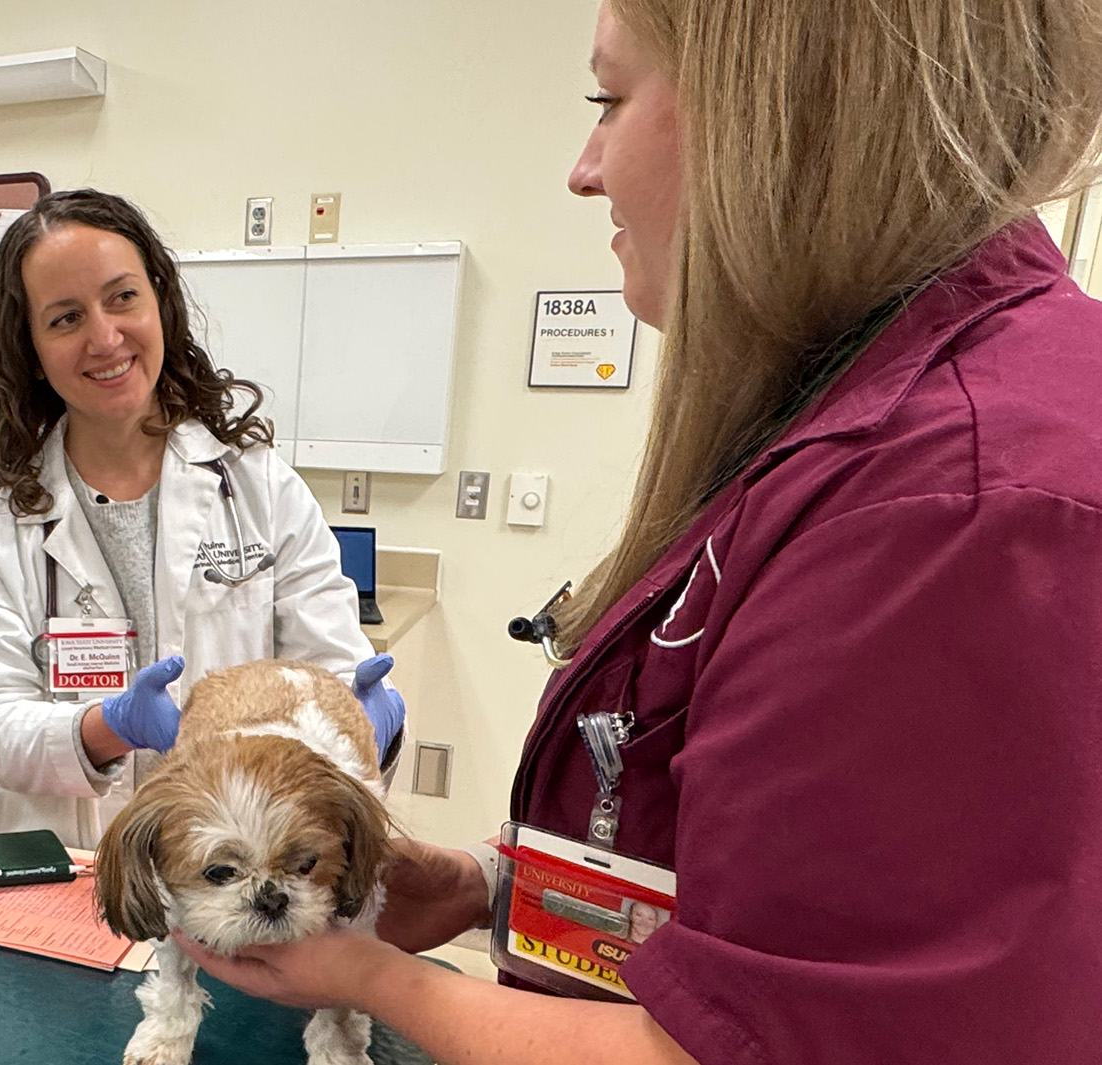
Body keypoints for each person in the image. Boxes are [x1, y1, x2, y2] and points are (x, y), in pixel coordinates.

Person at [179, 2, 1102, 1062]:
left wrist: (370, 978)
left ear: (786, 116)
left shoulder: (953, 507)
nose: (583, 169)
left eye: (606, 100)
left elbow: (757, 1044)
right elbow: (754, 879)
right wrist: (494, 885)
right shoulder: (850, 424)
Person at [0, 189, 407, 847]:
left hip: (239, 856)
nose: (105, 337)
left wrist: (364, 721)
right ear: (32, 348)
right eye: (66, 317)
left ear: (160, 298)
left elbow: (329, 671)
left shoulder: (256, 484)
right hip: (67, 860)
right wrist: (109, 727)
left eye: (122, 297)